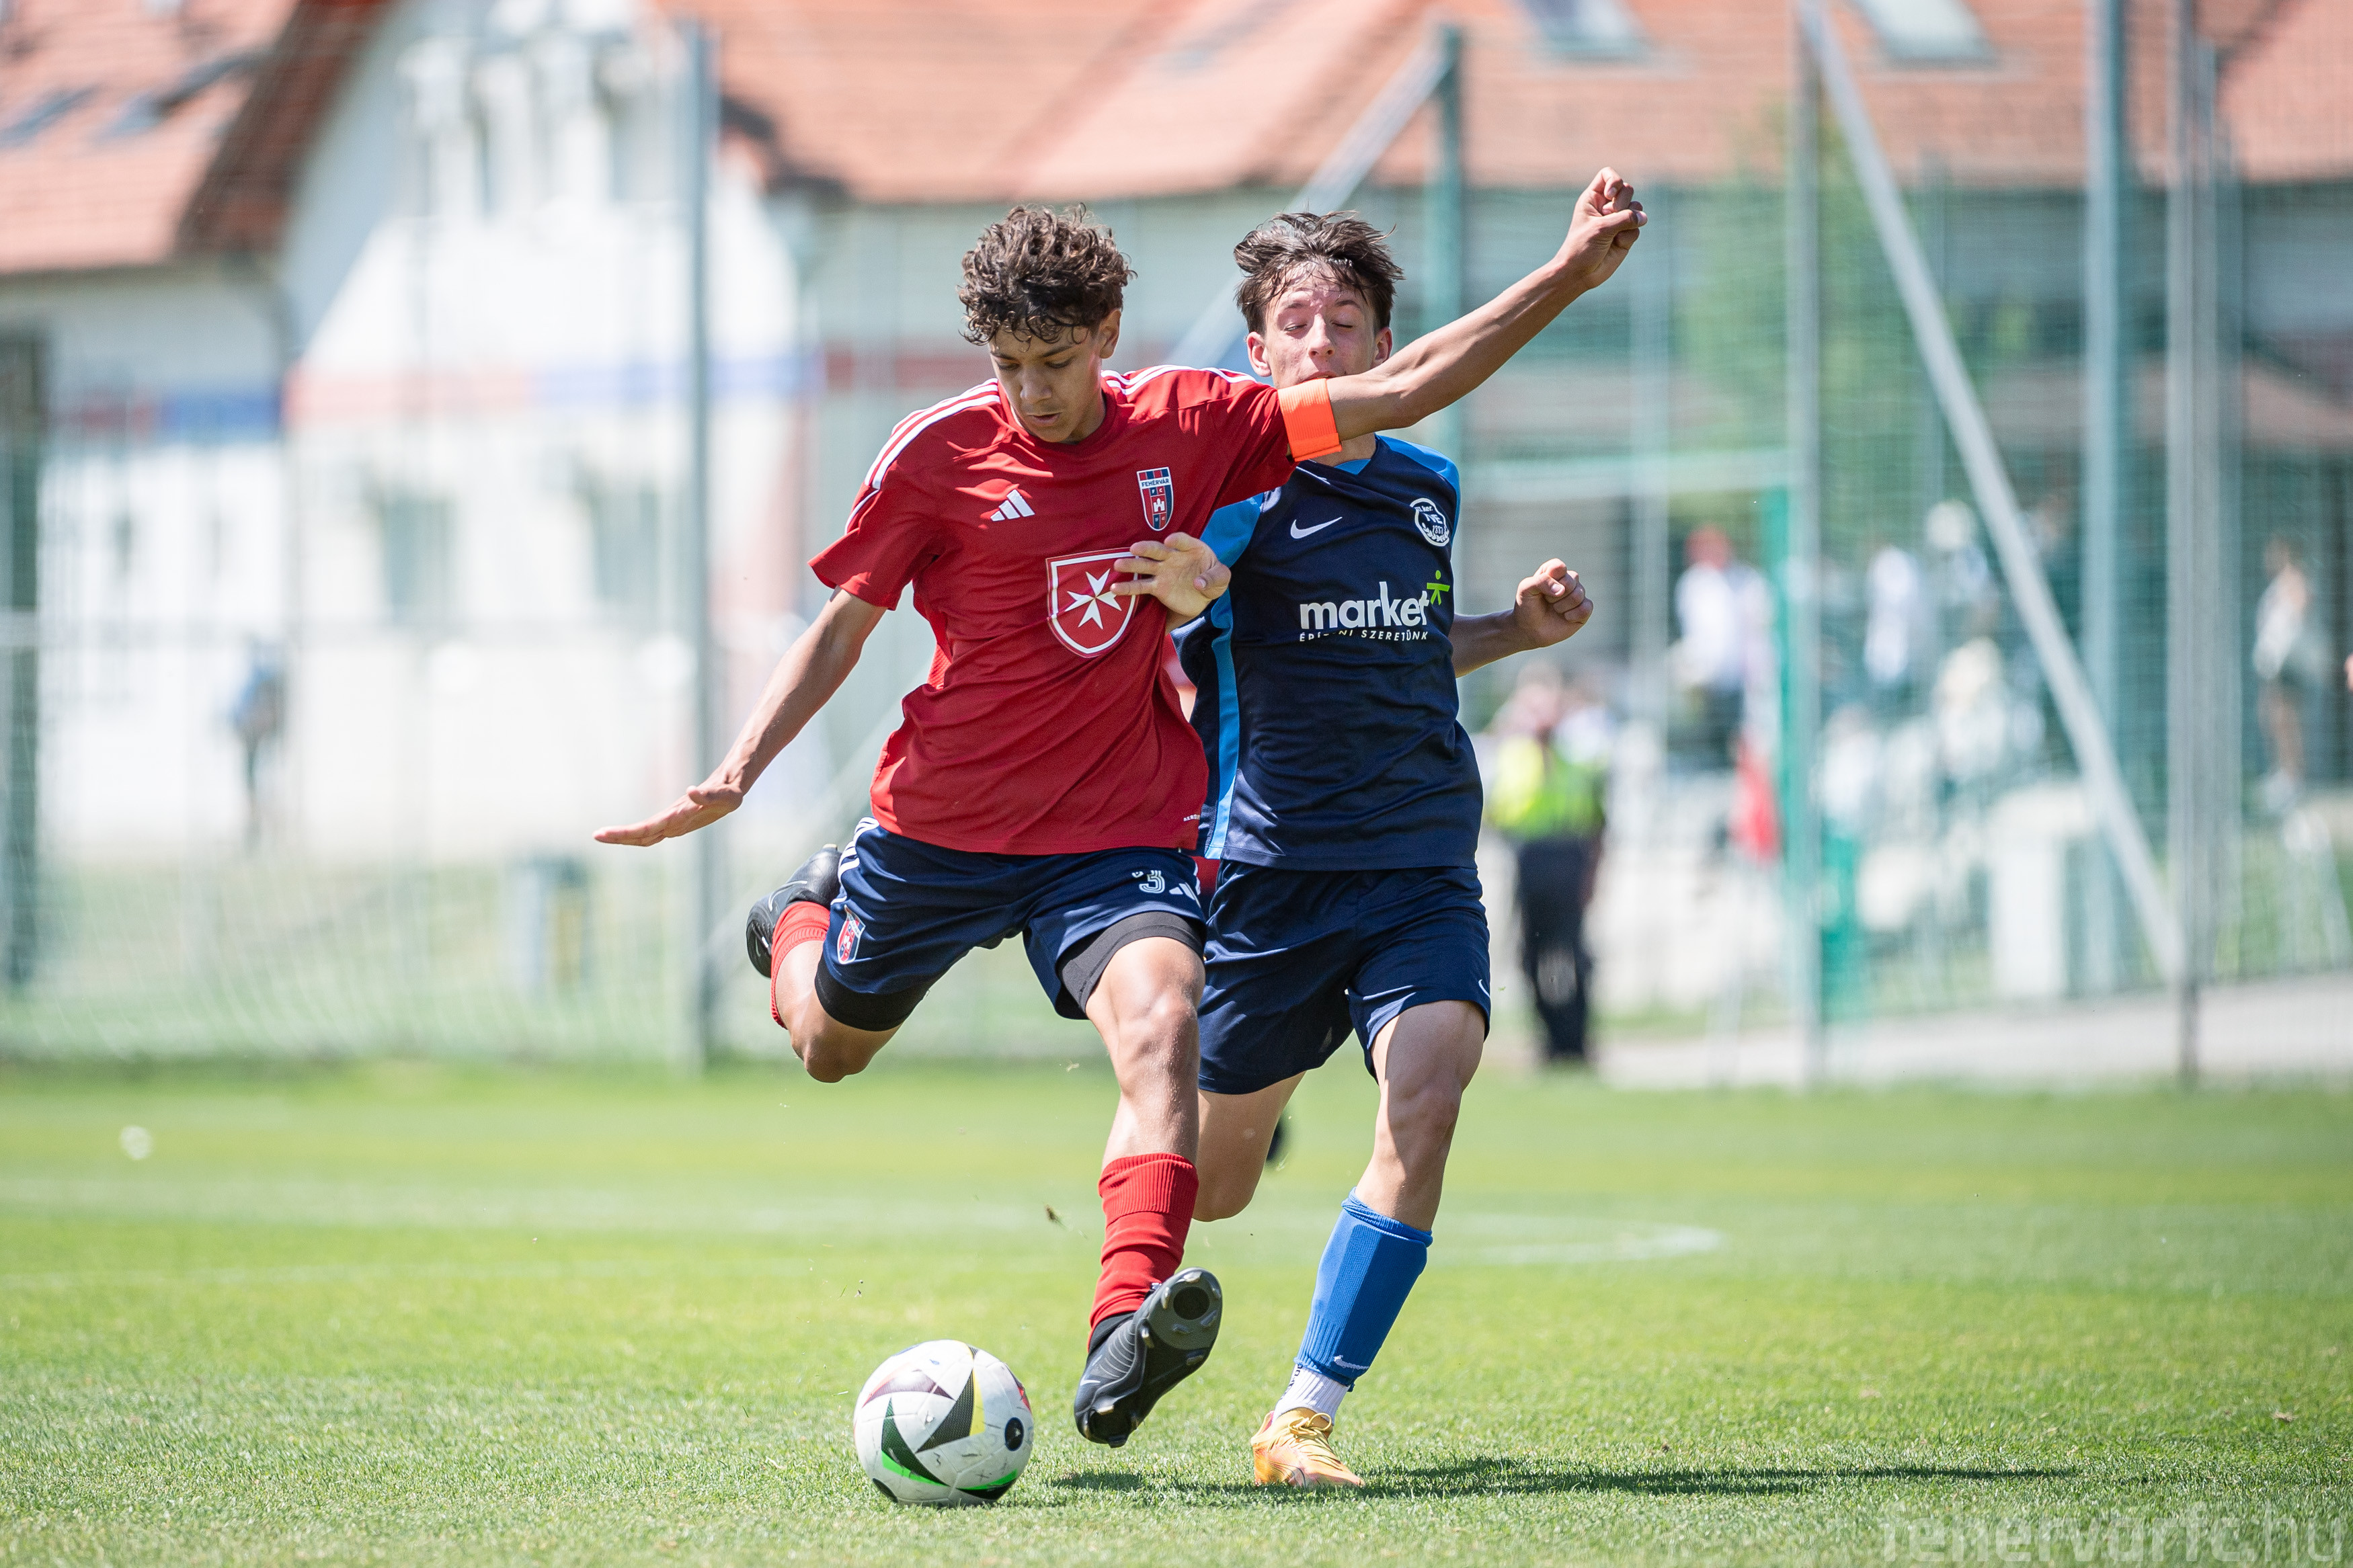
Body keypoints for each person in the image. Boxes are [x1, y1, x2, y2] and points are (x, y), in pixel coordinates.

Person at [596, 181, 1646, 1450]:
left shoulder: (1204, 429)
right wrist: (737, 768)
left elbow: (1414, 391)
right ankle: (805, 917)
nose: (1031, 391)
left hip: (1125, 832)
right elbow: (843, 627)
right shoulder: (942, 454)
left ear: (1106, 336)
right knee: (829, 1045)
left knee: (1168, 1025)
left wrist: (1569, 273)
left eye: (1055, 361)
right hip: (952, 826)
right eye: (1008, 365)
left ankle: (1129, 1340)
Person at [1140, 210, 1605, 1489]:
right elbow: (1189, 604)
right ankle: (1249, 1115)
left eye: (1346, 323)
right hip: (1270, 873)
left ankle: (1303, 1414)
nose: (1322, 342)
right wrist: (1185, 586)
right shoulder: (1234, 494)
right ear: (1256, 353)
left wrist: (1515, 629)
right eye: (1296, 324)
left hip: (1418, 861)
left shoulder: (1425, 488)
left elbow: (1404, 638)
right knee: (1216, 1189)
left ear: (1387, 344)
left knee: (1432, 1090)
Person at [1486, 664, 1609, 1065]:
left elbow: (1596, 819)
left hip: (1568, 858)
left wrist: (1593, 872)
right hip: (1529, 860)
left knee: (1574, 956)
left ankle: (1577, 1041)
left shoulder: (1581, 753)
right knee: (1531, 957)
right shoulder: (1511, 756)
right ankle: (1550, 1040)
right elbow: (1496, 813)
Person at [1671, 525, 1763, 766]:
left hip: (1740, 669)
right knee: (1708, 722)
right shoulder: (1693, 583)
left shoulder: (1745, 579)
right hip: (1707, 670)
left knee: (1740, 724)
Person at [2253, 535, 2324, 811]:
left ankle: (2293, 779)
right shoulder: (2282, 582)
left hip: (2289, 663)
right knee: (2273, 717)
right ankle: (2284, 774)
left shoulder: (2295, 579)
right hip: (2276, 664)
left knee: (2286, 721)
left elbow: (2300, 608)